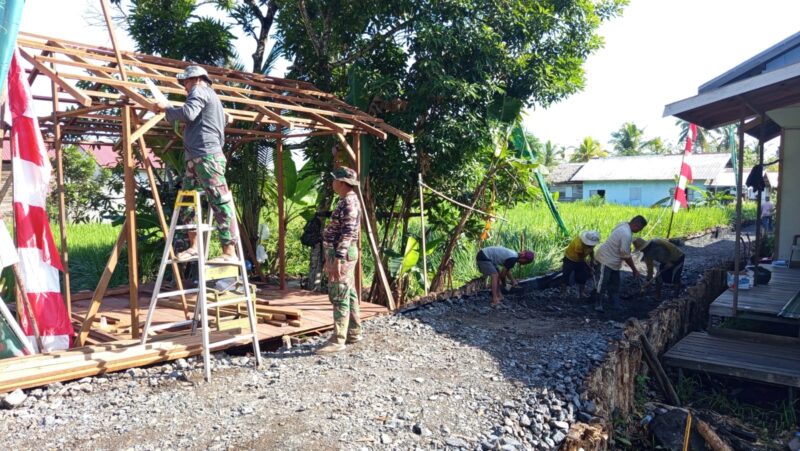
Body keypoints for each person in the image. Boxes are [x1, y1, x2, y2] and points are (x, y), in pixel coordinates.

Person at [156, 65, 238, 263]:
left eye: (185, 81)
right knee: (187, 202)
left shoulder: (200, 90)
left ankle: (229, 252)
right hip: (197, 157)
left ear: (197, 79)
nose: (184, 86)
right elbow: (216, 119)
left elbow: (188, 113)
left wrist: (166, 108)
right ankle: (195, 247)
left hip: (206, 156)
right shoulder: (210, 97)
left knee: (220, 202)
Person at [317, 167, 362, 354]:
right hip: (339, 252)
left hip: (341, 253)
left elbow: (348, 233)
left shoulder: (349, 203)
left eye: (335, 180)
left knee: (339, 293)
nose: (332, 183)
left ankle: (338, 339)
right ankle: (353, 331)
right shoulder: (346, 201)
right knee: (348, 292)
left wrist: (338, 258)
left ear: (342, 183)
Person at [592, 215, 648, 312]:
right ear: (636, 225)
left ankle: (614, 303)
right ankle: (598, 303)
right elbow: (625, 255)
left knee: (615, 282)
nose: (639, 231)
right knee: (602, 282)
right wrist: (634, 270)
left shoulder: (623, 224)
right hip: (605, 259)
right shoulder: (626, 234)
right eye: (640, 228)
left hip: (614, 261)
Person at [560, 230, 600, 298]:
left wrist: (592, 260)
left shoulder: (592, 244)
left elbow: (591, 251)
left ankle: (582, 293)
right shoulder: (579, 244)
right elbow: (581, 258)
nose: (591, 246)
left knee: (582, 276)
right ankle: (563, 292)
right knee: (566, 275)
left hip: (580, 260)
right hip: (570, 259)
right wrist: (590, 268)